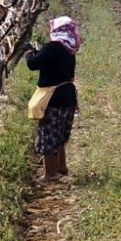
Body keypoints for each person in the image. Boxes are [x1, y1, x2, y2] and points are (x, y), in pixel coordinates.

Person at [25, 16, 80, 181]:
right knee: (61, 134)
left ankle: (50, 174)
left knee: (49, 135)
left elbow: (33, 64)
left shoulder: (52, 47)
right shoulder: (69, 48)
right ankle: (61, 166)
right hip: (68, 95)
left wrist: (28, 53)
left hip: (53, 98)